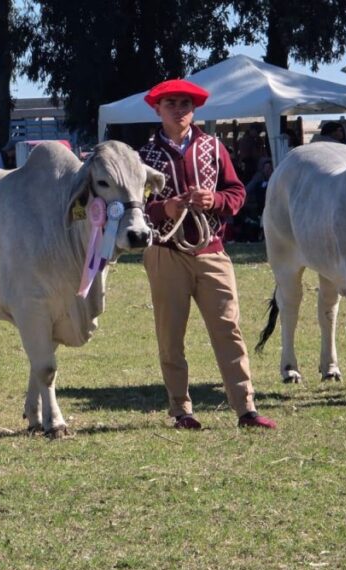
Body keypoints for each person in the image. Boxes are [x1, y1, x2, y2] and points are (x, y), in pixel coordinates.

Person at [137, 78, 276, 430]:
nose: (179, 110)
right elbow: (133, 207)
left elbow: (237, 193)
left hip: (211, 250)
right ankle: (181, 410)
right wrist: (164, 209)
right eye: (171, 104)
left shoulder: (214, 147)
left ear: (194, 109)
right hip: (165, 252)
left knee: (228, 328)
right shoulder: (143, 156)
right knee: (170, 334)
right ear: (157, 109)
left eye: (185, 104)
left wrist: (215, 199)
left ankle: (245, 407)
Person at [235, 158, 272, 242]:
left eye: (269, 168)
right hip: (261, 206)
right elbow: (248, 190)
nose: (267, 171)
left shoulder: (275, 180)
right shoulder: (259, 181)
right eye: (266, 168)